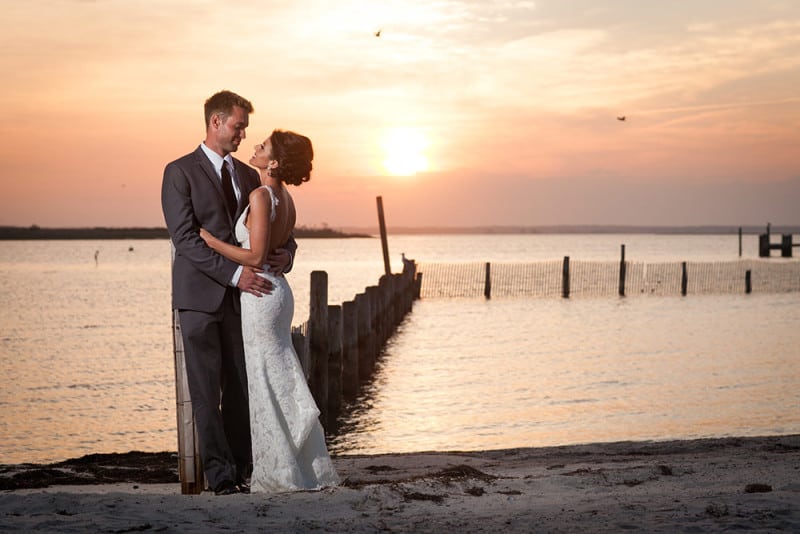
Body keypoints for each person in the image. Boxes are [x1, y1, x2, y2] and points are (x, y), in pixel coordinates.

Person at [161, 90, 296, 496]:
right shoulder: (178, 172)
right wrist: (236, 274)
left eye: (245, 129)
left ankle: (244, 468)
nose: (242, 135)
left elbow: (275, 225)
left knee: (240, 386)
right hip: (200, 298)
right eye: (238, 126)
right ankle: (219, 478)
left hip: (245, 302)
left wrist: (286, 254)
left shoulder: (249, 176)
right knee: (205, 391)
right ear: (215, 122)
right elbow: (185, 239)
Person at [200, 130, 339, 493]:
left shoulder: (262, 195)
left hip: (261, 294)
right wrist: (288, 256)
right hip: (274, 294)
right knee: (275, 376)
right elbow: (280, 245)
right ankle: (291, 461)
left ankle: (281, 469)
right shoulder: (284, 197)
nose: (256, 148)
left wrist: (213, 242)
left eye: (263, 147)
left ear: (274, 162)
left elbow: (257, 256)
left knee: (265, 379)